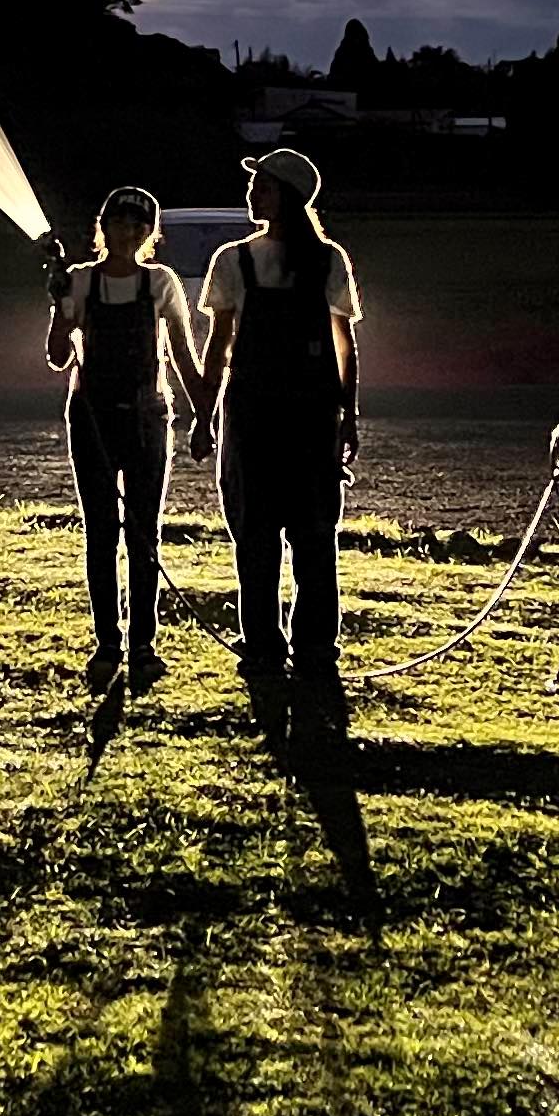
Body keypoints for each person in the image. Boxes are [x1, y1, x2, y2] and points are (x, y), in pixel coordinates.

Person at [193, 146, 364, 732]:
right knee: (257, 535)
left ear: (287, 195)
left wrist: (350, 415)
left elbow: (346, 346)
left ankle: (313, 647)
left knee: (314, 536)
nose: (251, 193)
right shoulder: (231, 260)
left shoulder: (327, 262)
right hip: (253, 413)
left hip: (307, 415)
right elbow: (218, 345)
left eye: (262, 186)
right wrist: (202, 411)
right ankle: (263, 645)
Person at [44, 186, 203, 693]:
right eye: (119, 221)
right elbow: (58, 356)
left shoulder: (161, 283)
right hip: (91, 420)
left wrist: (204, 412)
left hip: (147, 418)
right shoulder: (81, 281)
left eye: (138, 224)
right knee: (100, 533)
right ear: (104, 225)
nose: (127, 231)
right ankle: (108, 644)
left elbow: (181, 352)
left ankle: (142, 647)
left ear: (147, 234)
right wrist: (60, 307)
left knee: (143, 534)